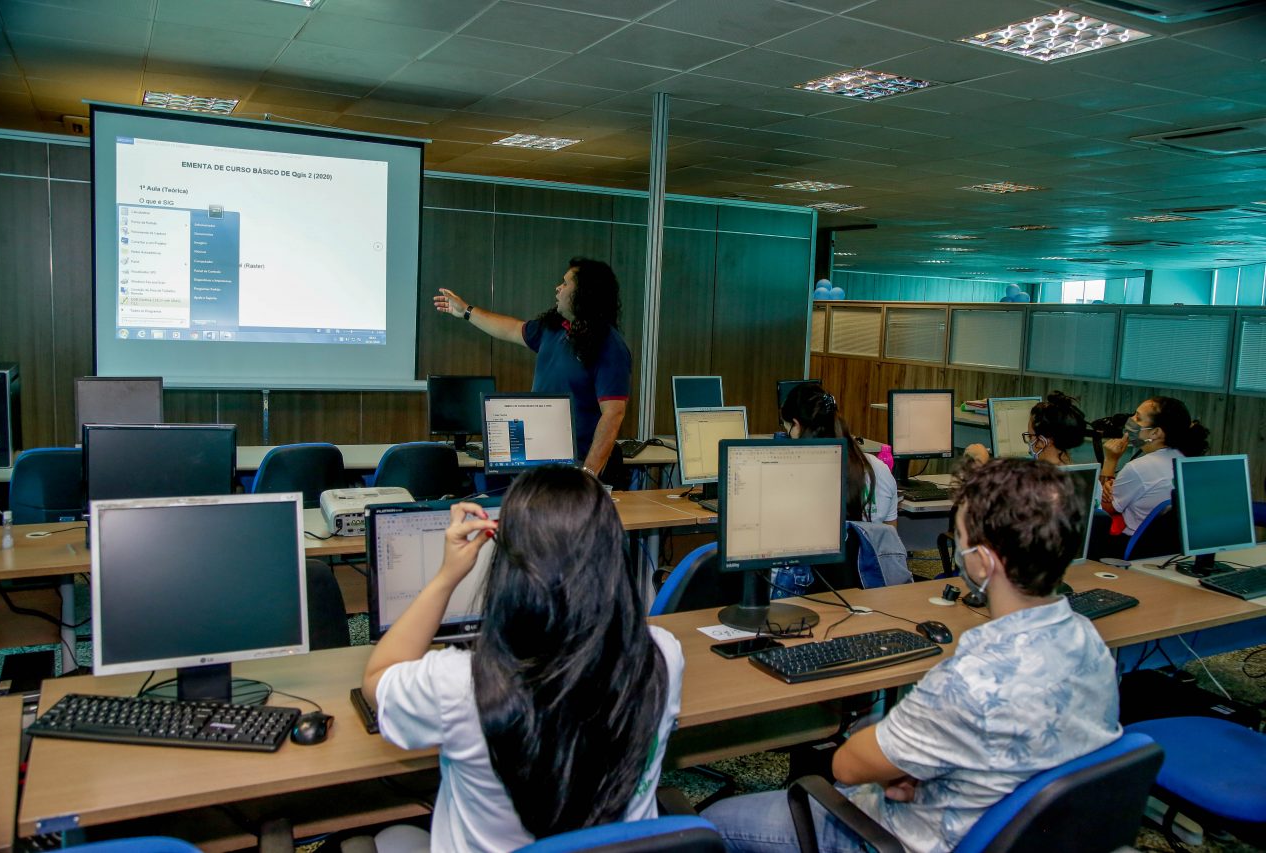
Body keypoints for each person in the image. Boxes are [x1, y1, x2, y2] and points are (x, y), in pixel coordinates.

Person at [702, 458, 1121, 853]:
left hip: (904, 836)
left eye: (960, 538)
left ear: (983, 562)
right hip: (1010, 830)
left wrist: (897, 770)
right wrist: (913, 770)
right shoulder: (1090, 643)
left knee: (713, 823)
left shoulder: (970, 679)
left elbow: (847, 766)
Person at [362, 466, 684, 852]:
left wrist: (447, 576)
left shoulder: (459, 683)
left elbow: (378, 678)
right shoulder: (662, 654)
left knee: (391, 838)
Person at [433, 258, 631, 488]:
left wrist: (588, 474)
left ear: (584, 292)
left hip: (575, 466)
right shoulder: (553, 329)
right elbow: (511, 329)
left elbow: (613, 414)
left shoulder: (609, 345)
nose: (558, 287)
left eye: (566, 283)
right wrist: (466, 311)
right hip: (538, 459)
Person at [1090, 396, 1210, 558]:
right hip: (1170, 550)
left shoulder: (1139, 468)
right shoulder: (1186, 461)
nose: (1130, 420)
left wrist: (1111, 460)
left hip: (1129, 547)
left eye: (1138, 418)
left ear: (1156, 432)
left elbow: (1105, 509)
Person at [780, 382, 898, 526]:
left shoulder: (795, 478)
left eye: (788, 430)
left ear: (796, 425)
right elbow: (890, 539)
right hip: (871, 549)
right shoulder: (880, 470)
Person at [964, 391, 1087, 466]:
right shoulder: (1077, 476)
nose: (1029, 442)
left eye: (1030, 436)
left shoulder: (1035, 483)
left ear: (1043, 441)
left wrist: (982, 461)